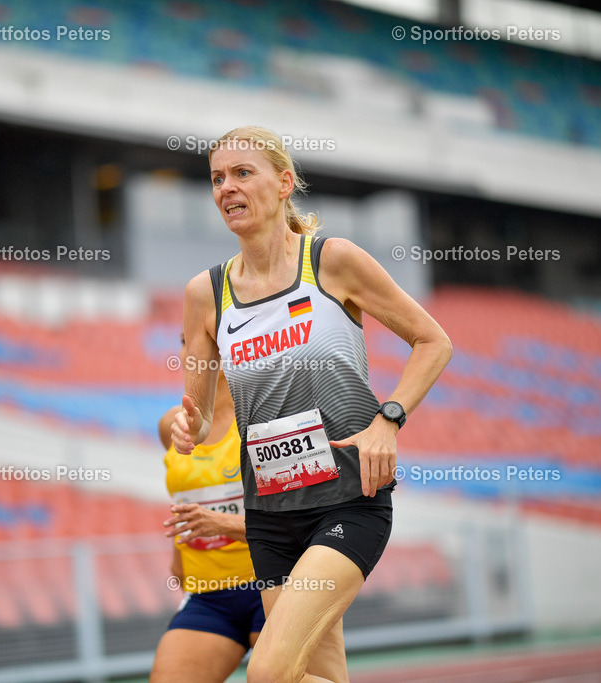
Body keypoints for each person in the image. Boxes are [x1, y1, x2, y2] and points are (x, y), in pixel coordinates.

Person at [172, 126, 451, 683]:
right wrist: (188, 425)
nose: (226, 187)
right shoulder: (205, 293)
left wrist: (388, 420)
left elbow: (433, 341)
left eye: (242, 173)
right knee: (314, 673)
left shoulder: (333, 261)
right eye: (216, 178)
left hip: (347, 499)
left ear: (284, 183)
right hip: (270, 517)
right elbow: (200, 420)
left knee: (269, 674)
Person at [151, 332, 265, 683]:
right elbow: (186, 503)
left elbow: (297, 522)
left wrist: (223, 524)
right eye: (184, 339)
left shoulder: (262, 419)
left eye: (203, 340)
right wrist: (178, 558)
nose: (189, 349)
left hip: (272, 586)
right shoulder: (172, 424)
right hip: (207, 594)